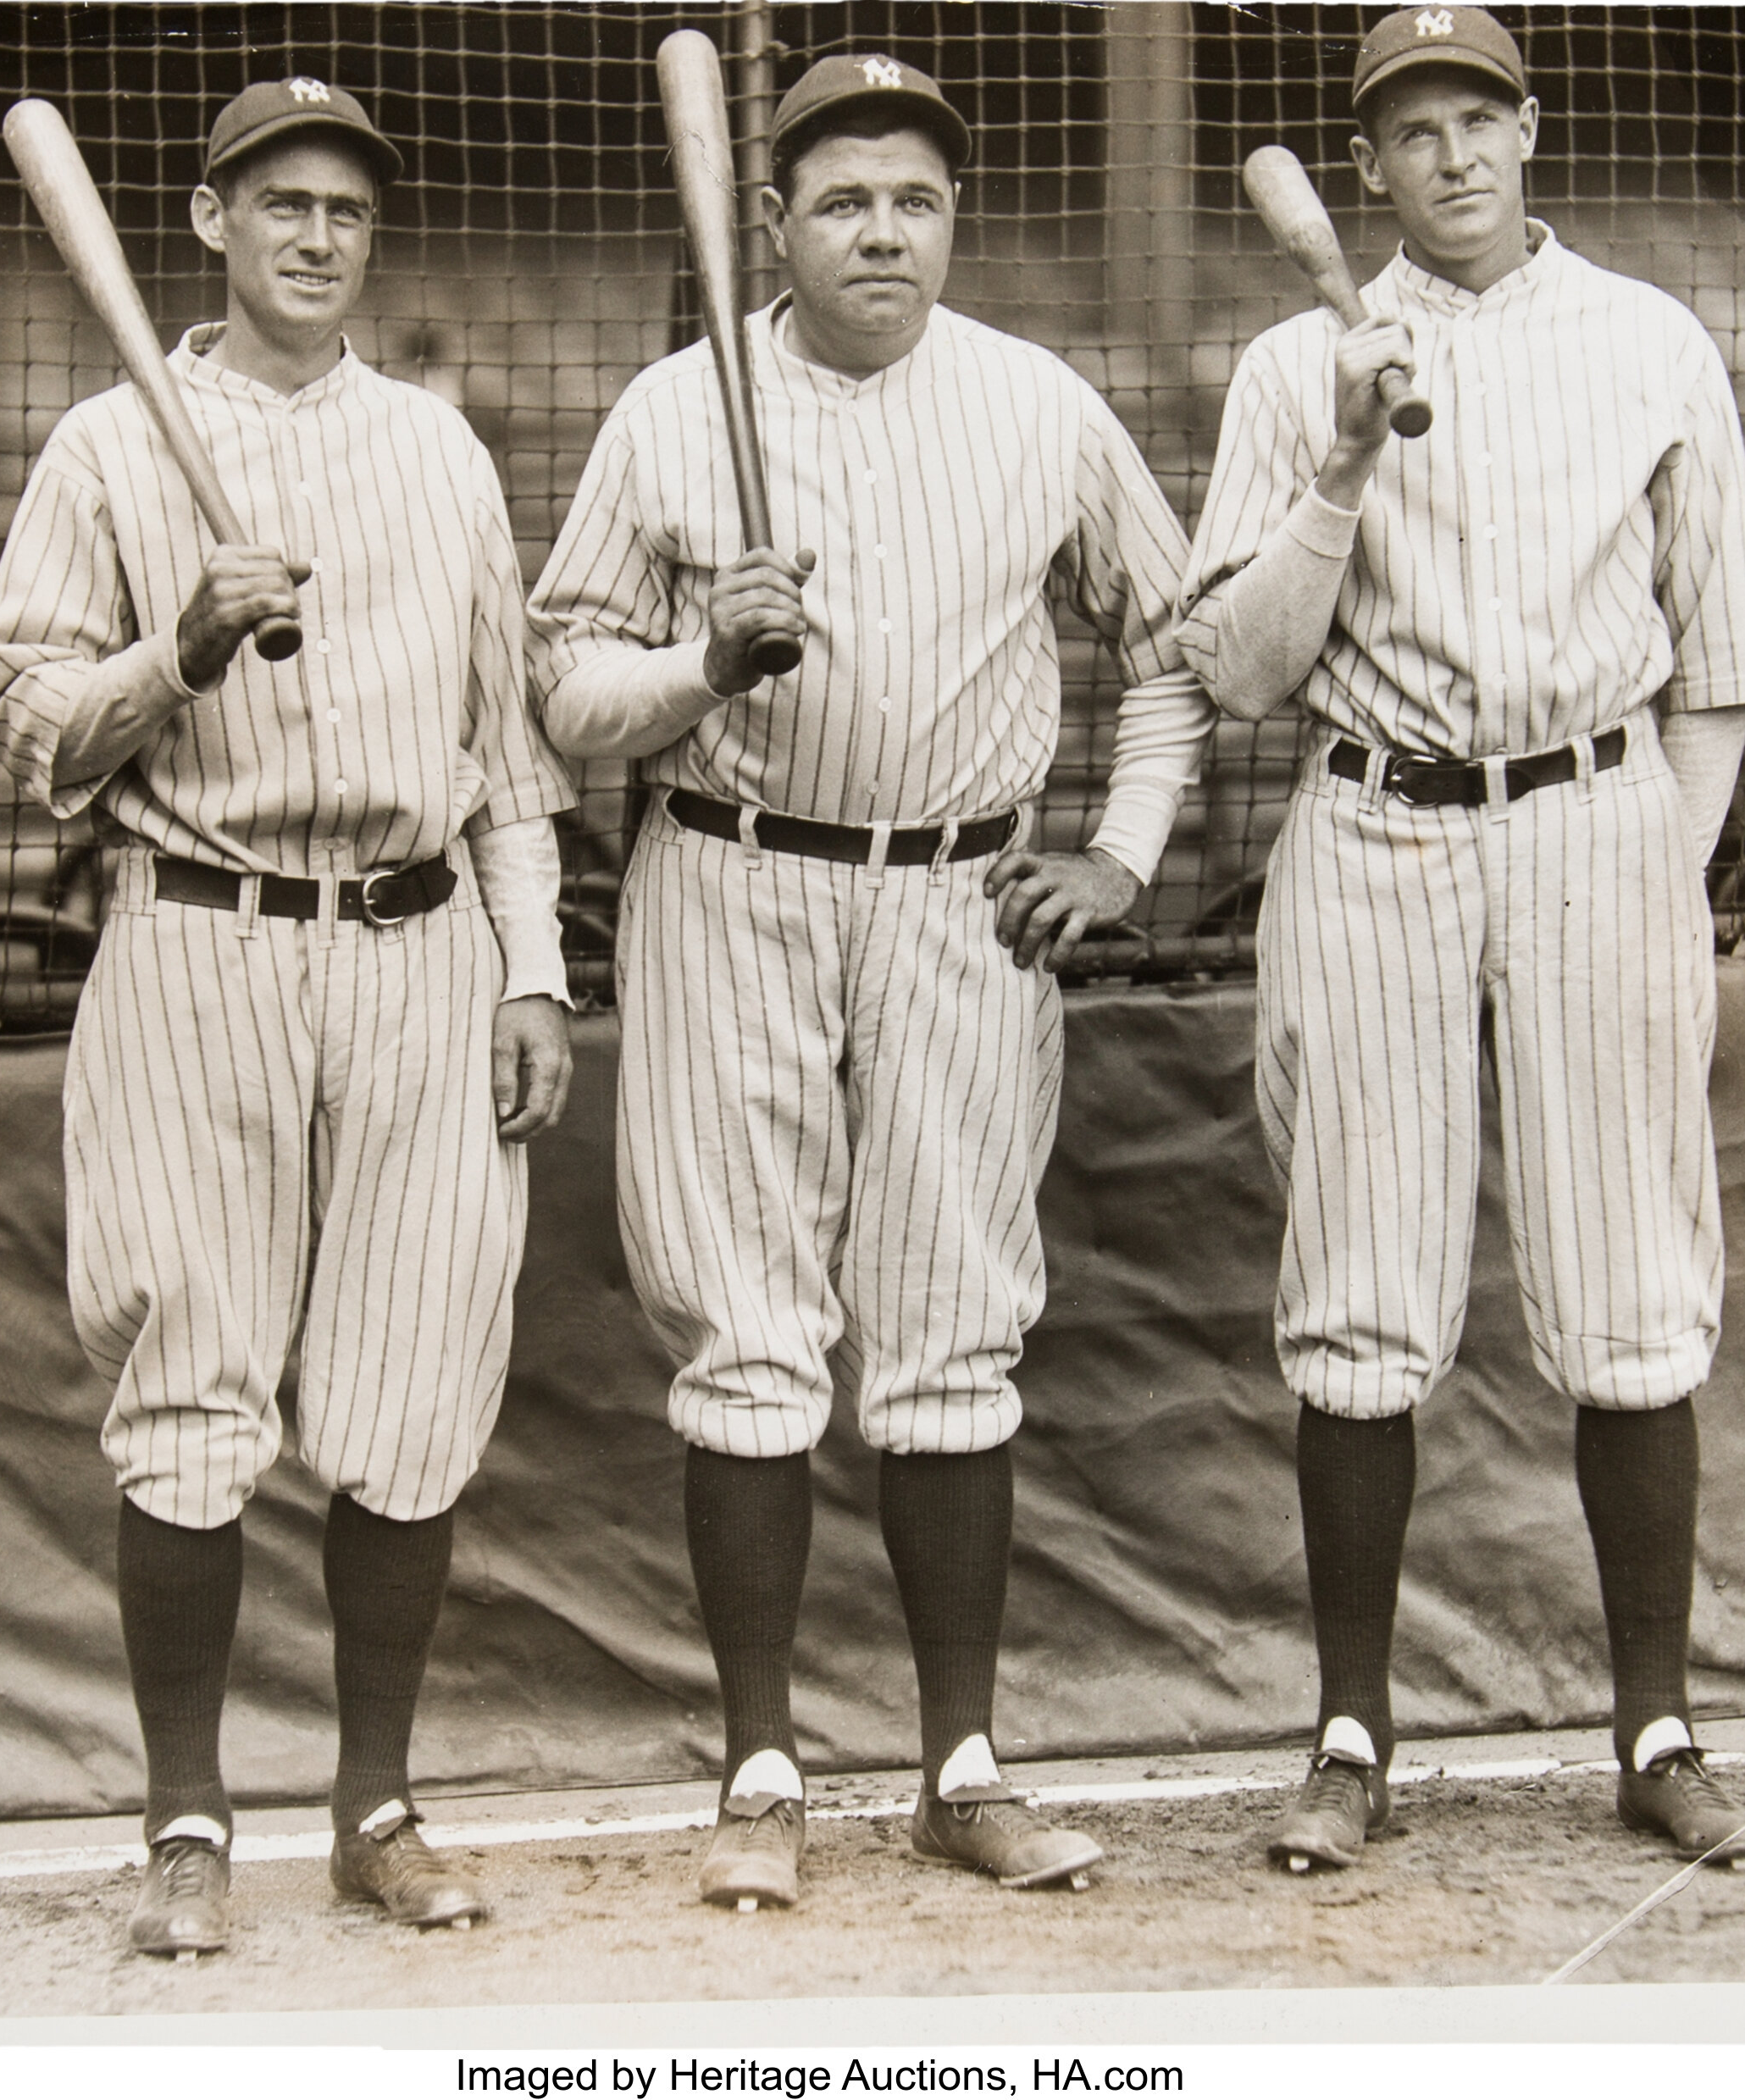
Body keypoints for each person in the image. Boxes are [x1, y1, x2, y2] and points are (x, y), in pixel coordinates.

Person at [527, 53, 1210, 1909]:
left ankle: (960, 1766)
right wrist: (698, 673)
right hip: (731, 883)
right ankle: (762, 1770)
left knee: (945, 1331)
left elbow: (1179, 647)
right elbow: (561, 691)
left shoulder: (1044, 407)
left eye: (914, 197)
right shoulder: (679, 413)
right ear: (778, 225)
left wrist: (1124, 852)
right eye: (843, 199)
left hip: (960, 895)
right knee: (745, 1337)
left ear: (953, 218)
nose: (883, 229)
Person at [1177, 7, 1745, 1871]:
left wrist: (1661, 884)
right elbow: (1237, 670)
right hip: (1374, 823)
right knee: (1359, 1298)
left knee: (1630, 1287)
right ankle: (1353, 1734)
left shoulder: (1651, 338)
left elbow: (1724, 667)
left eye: (1477, 116)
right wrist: (1345, 462)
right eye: (1409, 131)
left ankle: (1658, 1728)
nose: (1449, 153)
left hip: (1600, 815)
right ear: (1362, 171)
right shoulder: (1295, 364)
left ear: (1531, 129)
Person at [0, 78, 577, 1955]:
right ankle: (184, 1818)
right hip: (199, 939)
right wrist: (181, 651)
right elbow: (25, 724)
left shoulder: (441, 451)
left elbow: (507, 754)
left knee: (408, 1385)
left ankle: (375, 1802)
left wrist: (539, 967)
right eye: (283, 203)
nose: (320, 236)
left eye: (346, 208)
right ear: (210, 219)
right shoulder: (105, 448)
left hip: (419, 949)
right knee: (194, 1382)